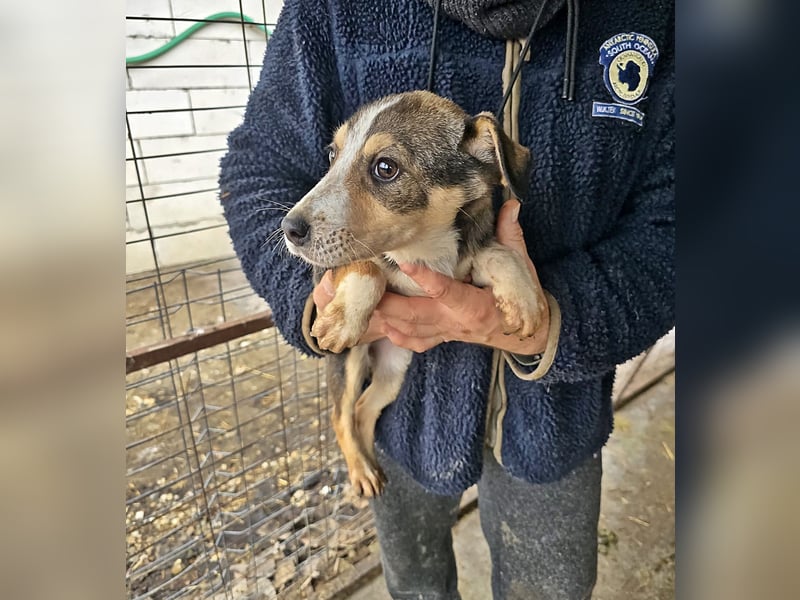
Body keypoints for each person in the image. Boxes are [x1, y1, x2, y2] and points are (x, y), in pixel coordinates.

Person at [219, 0, 674, 598]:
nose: (316, 203)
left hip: (557, 420)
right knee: (414, 584)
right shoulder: (329, 12)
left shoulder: (661, 19)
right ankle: (351, 435)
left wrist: (553, 322)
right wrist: (320, 292)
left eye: (383, 168)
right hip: (404, 432)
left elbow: (681, 224)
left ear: (486, 170)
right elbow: (258, 172)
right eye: (339, 156)